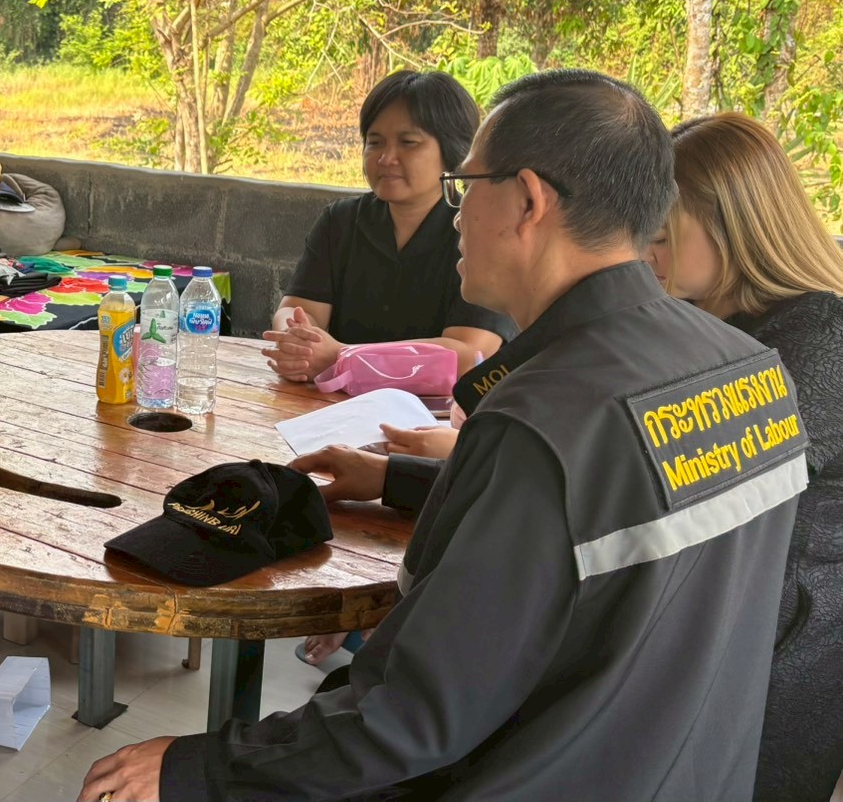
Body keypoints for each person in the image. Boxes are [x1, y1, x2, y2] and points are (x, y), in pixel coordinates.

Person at [79, 70, 808, 802]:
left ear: (528, 200)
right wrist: (394, 478)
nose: (456, 217)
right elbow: (581, 528)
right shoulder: (749, 369)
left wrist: (198, 768)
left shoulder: (542, 421)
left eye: (466, 185)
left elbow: (413, 717)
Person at [646, 112, 843, 802]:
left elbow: (669, 477)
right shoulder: (704, 325)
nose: (645, 249)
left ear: (733, 223)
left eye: (662, 231)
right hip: (717, 630)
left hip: (782, 657)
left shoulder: (821, 336)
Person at [263, 70, 514, 382]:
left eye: (408, 143)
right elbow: (297, 310)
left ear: (452, 150)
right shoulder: (340, 221)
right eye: (375, 142)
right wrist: (298, 340)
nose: (385, 158)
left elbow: (467, 354)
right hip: (337, 403)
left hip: (439, 411)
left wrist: (343, 357)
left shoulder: (481, 231)